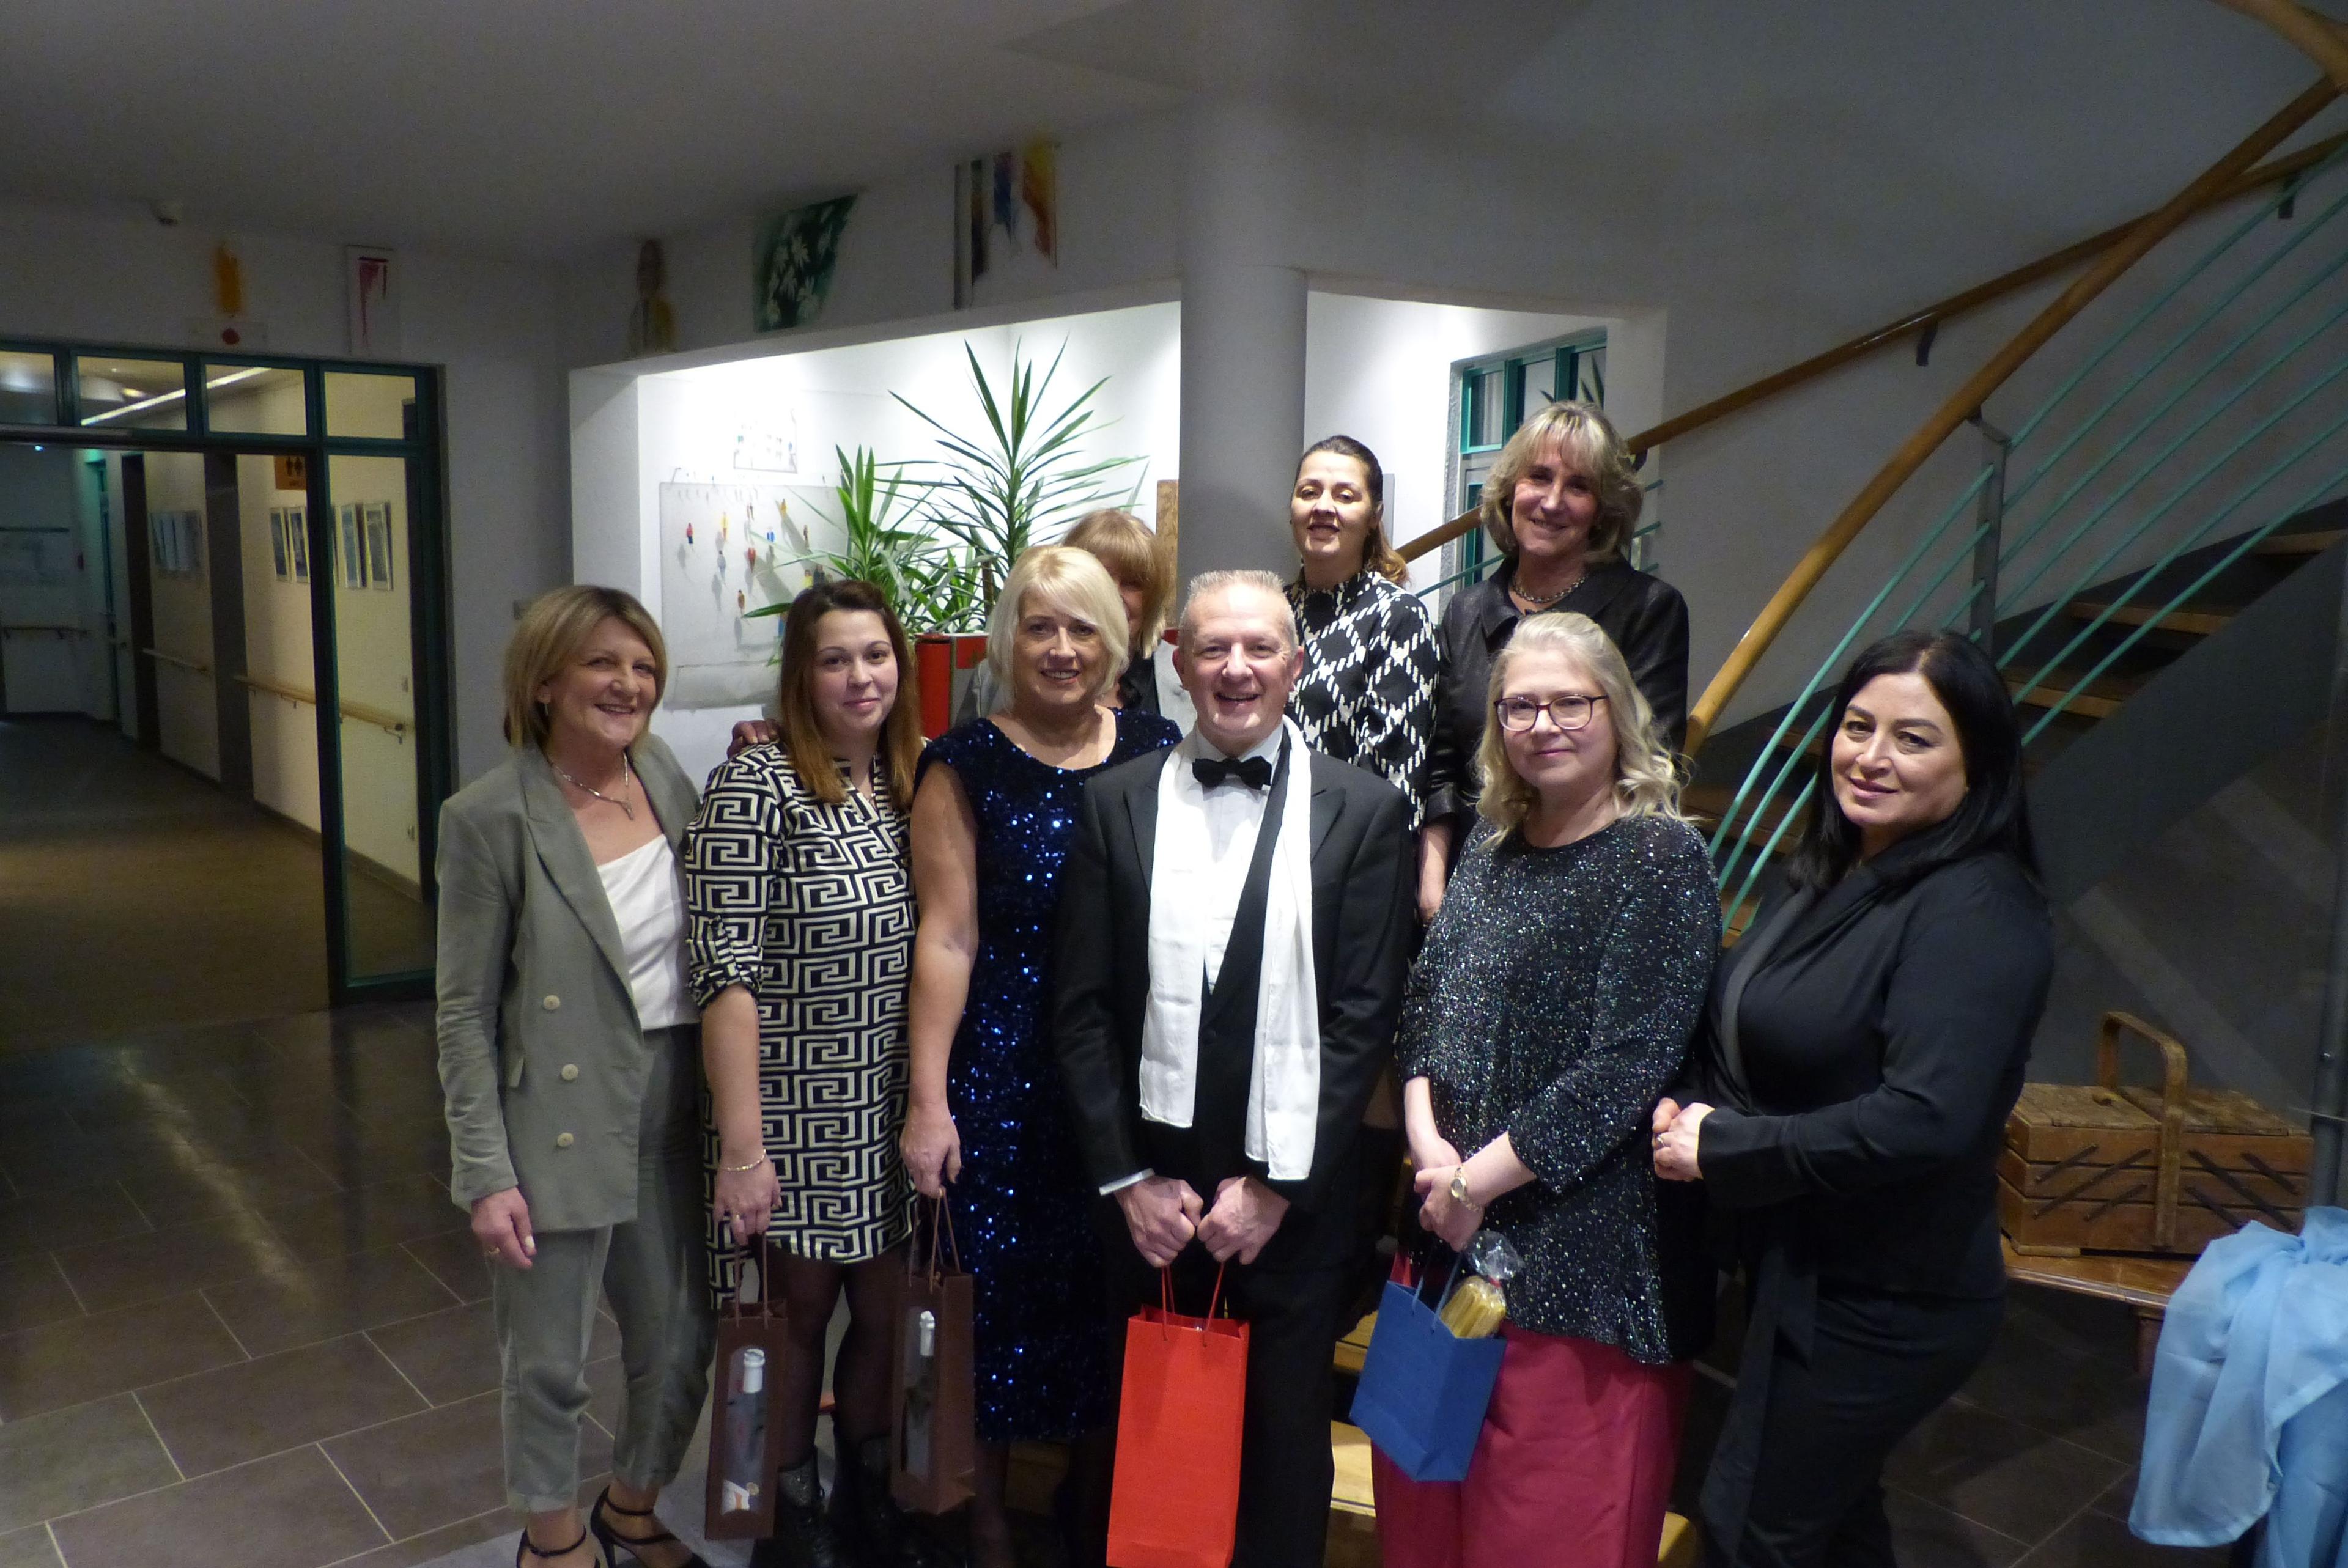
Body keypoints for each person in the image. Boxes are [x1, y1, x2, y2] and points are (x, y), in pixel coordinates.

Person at [1653, 628, 2054, 1568]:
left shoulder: (1978, 906)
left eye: (1914, 738)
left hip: (1886, 1295)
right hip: (1807, 1266)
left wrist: (1727, 1149)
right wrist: (1691, 1102)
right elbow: (1749, 1019)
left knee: (1751, 1530)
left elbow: (1927, 1118)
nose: (1871, 757)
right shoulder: (1842, 866)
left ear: (1978, 762)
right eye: (1858, 726)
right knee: (1833, 1528)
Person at [1053, 569, 1418, 1568]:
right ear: (1178, 663)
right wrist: (1127, 1180)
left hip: (1294, 1205)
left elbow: (1362, 1019)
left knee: (1282, 1452)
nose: (1236, 668)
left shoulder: (1366, 810)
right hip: (1149, 1203)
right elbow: (1081, 1011)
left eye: (1259, 648)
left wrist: (1277, 1189)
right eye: (1213, 647)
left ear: (1295, 665)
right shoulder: (1114, 803)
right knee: (1144, 1451)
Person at [1378, 611, 1718, 1568]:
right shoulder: (1490, 846)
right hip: (1446, 1244)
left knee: (1546, 1538)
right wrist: (1429, 1150)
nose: (1543, 724)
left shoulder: (1660, 860)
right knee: (1421, 1530)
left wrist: (1470, 1183)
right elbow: (1424, 1006)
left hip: (1581, 1271)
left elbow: (1624, 1069)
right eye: (1519, 706)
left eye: (1570, 702)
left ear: (1618, 711)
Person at [901, 546, 1182, 1568]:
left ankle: (1091, 1505)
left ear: (1118, 641)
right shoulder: (962, 761)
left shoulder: (1158, 747)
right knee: (995, 1305)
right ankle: (985, 1522)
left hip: (1128, 1072)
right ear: (1007, 641)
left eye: (1083, 627)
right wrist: (930, 1101)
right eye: (1040, 626)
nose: (1062, 648)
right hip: (1002, 1072)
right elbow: (947, 937)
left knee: (1108, 1299)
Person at [435, 586, 714, 1568]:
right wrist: (485, 1171)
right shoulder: (489, 816)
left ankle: (632, 1505)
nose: (628, 684)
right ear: (546, 681)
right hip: (556, 1114)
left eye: (643, 666)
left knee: (680, 1338)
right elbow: (463, 1011)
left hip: (674, 1102)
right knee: (550, 1358)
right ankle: (551, 1539)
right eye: (603, 663)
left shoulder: (665, 776)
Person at [685, 579, 934, 1568]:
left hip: (889, 1107)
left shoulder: (914, 778)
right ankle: (784, 1520)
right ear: (801, 673)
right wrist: (743, 1151)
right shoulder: (757, 785)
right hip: (788, 1113)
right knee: (788, 1328)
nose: (860, 676)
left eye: (876, 655)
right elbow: (726, 975)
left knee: (886, 1315)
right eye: (835, 659)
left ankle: (869, 1499)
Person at [1422, 400, 1689, 923]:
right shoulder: (1465, 610)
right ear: (1509, 491)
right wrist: (1434, 886)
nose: (1551, 501)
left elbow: (1649, 765)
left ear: (1603, 510)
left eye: (1579, 486)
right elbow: (1444, 767)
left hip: (1589, 885)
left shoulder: (1649, 609)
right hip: (1470, 878)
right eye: (1539, 477)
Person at [1285, 435, 1439, 826]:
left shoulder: (1398, 616)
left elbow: (1396, 778)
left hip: (1347, 844)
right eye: (1309, 492)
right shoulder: (1271, 611)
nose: (1323, 507)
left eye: (1345, 496)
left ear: (1374, 516)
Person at [954, 509, 1187, 723]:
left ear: (1153, 599)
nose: (1113, 596)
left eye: (1132, 583)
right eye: (1100, 578)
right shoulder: (991, 682)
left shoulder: (1186, 675)